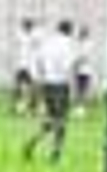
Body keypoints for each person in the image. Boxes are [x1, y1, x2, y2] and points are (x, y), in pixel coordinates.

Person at [24, 20, 76, 163]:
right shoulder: (68, 44)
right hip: (61, 85)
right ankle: (56, 153)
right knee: (61, 120)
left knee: (52, 119)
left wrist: (42, 77)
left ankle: (33, 142)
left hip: (48, 84)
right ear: (70, 31)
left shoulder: (49, 43)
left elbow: (39, 61)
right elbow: (67, 66)